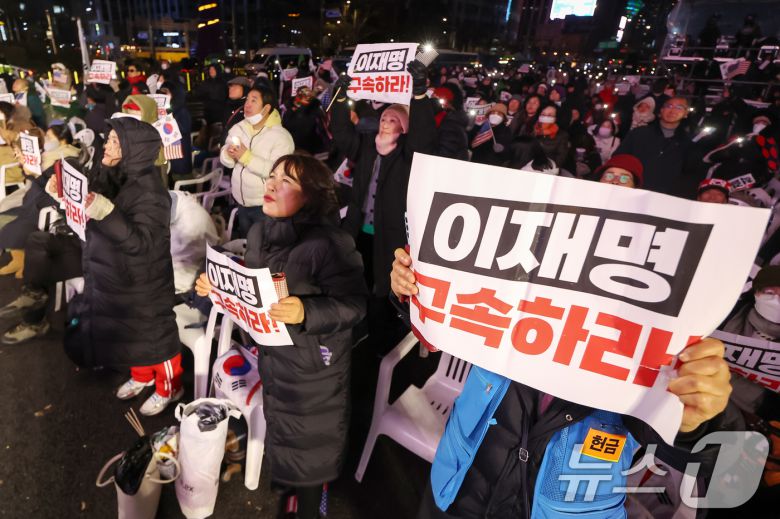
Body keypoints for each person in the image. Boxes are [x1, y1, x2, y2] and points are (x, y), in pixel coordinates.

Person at [389, 251, 739, 519]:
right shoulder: (510, 298)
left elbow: (715, 467)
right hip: (457, 492)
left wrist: (700, 420)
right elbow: (442, 326)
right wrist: (415, 290)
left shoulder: (654, 352)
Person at [195, 154, 367, 519]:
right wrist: (218, 287)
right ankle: (290, 486)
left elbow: (355, 306)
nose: (271, 184)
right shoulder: (259, 232)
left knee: (310, 447)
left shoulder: (331, 243)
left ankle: (310, 503)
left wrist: (307, 311)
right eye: (271, 176)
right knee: (284, 430)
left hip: (314, 370)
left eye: (286, 181)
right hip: (275, 359)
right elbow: (253, 287)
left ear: (312, 196)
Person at [49, 117, 183, 416]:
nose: (106, 146)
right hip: (116, 274)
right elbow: (89, 209)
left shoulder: (151, 192)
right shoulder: (110, 174)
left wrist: (105, 212)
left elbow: (141, 243)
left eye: (114, 142)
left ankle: (170, 387)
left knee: (155, 336)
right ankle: (142, 376)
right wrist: (63, 197)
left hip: (144, 281)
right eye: (107, 139)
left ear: (134, 149)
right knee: (130, 332)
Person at [220, 84, 295, 237]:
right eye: (247, 99)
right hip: (241, 201)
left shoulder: (281, 137)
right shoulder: (239, 128)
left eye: (254, 100)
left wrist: (246, 157)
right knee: (248, 244)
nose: (247, 104)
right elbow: (226, 161)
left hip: (265, 205)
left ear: (266, 108)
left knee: (265, 248)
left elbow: (278, 173)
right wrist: (228, 154)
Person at [616, 97, 697, 197]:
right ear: (661, 111)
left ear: (686, 114)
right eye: (669, 106)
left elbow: (689, 174)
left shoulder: (688, 142)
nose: (673, 110)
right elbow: (619, 159)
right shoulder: (639, 133)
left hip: (664, 198)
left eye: (679, 107)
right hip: (630, 191)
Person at [533, 104, 571, 172]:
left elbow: (560, 159)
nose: (545, 117)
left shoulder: (562, 135)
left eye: (550, 115)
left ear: (555, 118)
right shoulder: (531, 128)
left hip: (547, 169)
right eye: (543, 114)